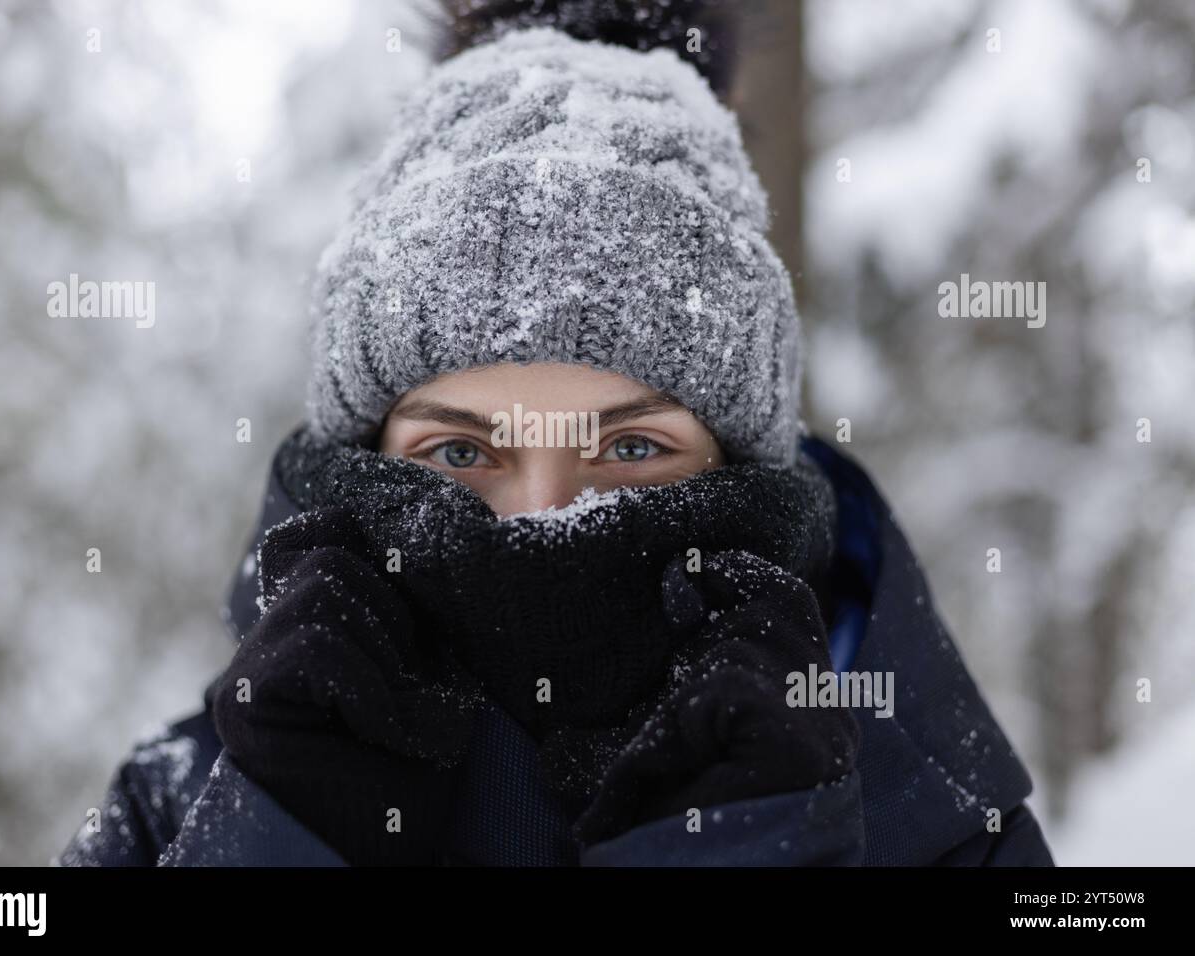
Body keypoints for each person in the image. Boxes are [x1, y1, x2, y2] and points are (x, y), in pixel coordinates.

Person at [57, 0, 1054, 867]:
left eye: (629, 451)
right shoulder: (181, 804)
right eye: (460, 453)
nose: (540, 520)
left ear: (742, 463)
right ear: (359, 461)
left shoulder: (940, 828)